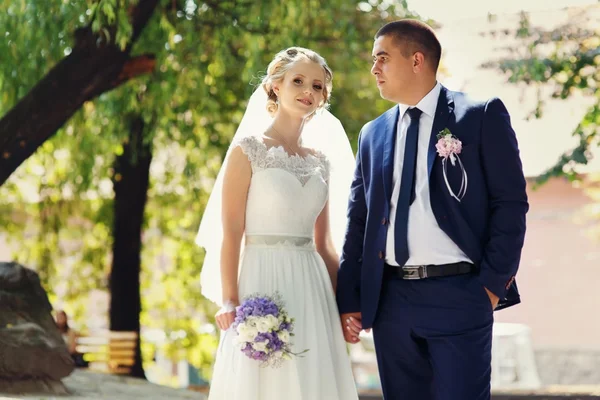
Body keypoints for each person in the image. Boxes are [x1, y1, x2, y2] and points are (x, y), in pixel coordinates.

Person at [336, 19, 529, 400]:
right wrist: (351, 297)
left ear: (417, 60)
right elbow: (358, 220)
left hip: (460, 294)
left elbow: (510, 205)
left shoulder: (480, 115)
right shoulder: (371, 134)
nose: (374, 69)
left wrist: (491, 286)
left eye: (382, 58)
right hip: (391, 302)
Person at [196, 47, 358, 400]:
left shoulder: (321, 162)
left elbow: (326, 244)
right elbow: (232, 231)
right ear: (274, 86)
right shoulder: (247, 150)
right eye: (297, 81)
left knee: (312, 378)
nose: (308, 91)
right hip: (261, 278)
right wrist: (229, 300)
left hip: (312, 283)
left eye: (317, 86)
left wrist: (344, 305)